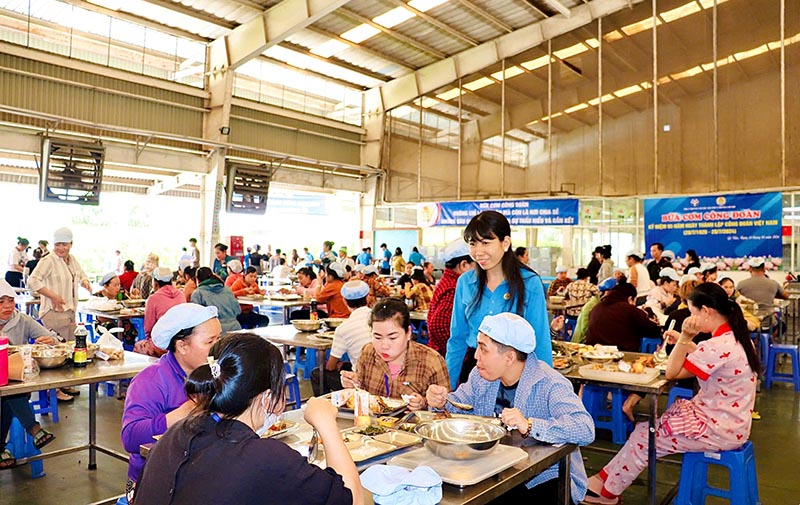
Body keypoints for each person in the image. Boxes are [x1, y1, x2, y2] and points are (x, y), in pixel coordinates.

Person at [583, 283, 761, 505]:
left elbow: (672, 371)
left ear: (705, 311)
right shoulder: (738, 339)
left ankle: (608, 493)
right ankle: (604, 479)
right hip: (733, 425)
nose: (691, 317)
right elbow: (714, 361)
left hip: (716, 430)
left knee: (644, 436)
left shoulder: (715, 346)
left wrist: (686, 338)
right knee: (644, 429)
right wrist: (684, 343)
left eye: (693, 312)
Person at [134, 333, 362, 505]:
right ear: (266, 398)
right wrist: (326, 422)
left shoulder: (176, 433)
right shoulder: (265, 456)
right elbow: (352, 499)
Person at [427, 313, 594, 504]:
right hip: (495, 470)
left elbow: (585, 428)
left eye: (483, 349)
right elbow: (458, 407)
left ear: (509, 357)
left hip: (544, 476)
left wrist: (530, 425)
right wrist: (441, 402)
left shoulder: (549, 383)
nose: (476, 356)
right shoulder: (481, 376)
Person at [121, 304, 221, 497]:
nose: (218, 348)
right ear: (182, 346)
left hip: (201, 471)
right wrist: (181, 415)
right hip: (154, 481)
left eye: (219, 338)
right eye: (210, 342)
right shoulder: (151, 380)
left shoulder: (216, 374)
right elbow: (130, 438)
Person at [447, 211, 552, 389]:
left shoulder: (529, 283)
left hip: (515, 375)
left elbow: (540, 342)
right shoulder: (465, 282)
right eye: (473, 244)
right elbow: (457, 339)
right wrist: (447, 384)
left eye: (486, 243)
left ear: (505, 243)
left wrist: (544, 388)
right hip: (476, 372)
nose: (478, 252)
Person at [341, 298, 450, 410]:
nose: (384, 345)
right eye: (377, 337)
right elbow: (361, 394)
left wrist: (425, 403)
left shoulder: (431, 361)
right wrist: (354, 384)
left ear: (408, 333)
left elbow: (447, 408)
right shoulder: (368, 353)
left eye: (392, 337)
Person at [0, 279, 59, 469]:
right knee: (7, 394)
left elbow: (54, 338)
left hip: (16, 384)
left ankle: (2, 449)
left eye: (10, 300)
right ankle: (34, 429)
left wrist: (49, 340)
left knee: (9, 392)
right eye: (1, 302)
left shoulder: (22, 320)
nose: (8, 306)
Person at [28, 227, 90, 344]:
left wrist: (85, 281)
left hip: (69, 312)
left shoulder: (72, 260)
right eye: (57, 244)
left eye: (64, 245)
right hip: (53, 313)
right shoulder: (48, 260)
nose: (60, 248)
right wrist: (52, 296)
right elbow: (32, 280)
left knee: (71, 348)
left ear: (71, 244)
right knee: (59, 350)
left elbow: (81, 274)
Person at [310, 280, 372, 396]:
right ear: (368, 298)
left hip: (361, 380)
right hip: (384, 374)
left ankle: (326, 408)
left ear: (344, 301)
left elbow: (330, 366)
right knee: (345, 365)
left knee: (317, 374)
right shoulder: (379, 318)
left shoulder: (344, 328)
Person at [427, 239, 474, 356]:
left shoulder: (447, 281)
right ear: (464, 265)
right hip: (448, 357)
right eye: (476, 265)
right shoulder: (453, 288)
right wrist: (460, 350)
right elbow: (438, 326)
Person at [586, 282, 661, 352]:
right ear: (630, 299)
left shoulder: (596, 308)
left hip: (593, 352)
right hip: (623, 355)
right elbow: (654, 331)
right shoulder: (630, 310)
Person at [737, 257, 789, 326]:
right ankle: (771, 336)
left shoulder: (741, 284)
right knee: (782, 326)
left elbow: (735, 297)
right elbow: (786, 296)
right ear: (764, 269)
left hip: (749, 322)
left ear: (749, 269)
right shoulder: (773, 283)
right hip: (768, 322)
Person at [191, 267, 242, 333]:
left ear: (197, 279)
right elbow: (238, 310)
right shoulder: (227, 289)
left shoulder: (198, 293)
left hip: (215, 332)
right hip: (235, 329)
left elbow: (196, 317)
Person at [144, 267, 186, 341]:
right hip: (181, 339)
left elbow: (149, 328)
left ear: (155, 282)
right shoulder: (181, 294)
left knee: (138, 346)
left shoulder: (153, 299)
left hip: (163, 342)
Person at [573, 277, 617, 344]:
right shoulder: (592, 306)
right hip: (581, 344)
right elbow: (585, 329)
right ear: (607, 293)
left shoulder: (599, 304)